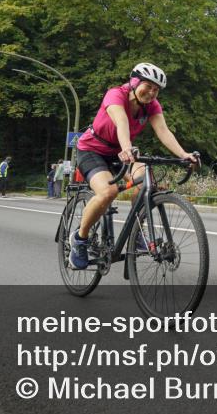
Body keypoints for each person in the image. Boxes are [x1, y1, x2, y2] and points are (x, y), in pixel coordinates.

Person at [68, 63, 198, 270]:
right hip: (93, 150)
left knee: (145, 182)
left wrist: (184, 154)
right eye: (148, 86)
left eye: (156, 90)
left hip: (122, 152)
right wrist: (127, 148)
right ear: (134, 82)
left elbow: (163, 131)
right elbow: (121, 123)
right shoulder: (115, 95)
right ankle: (80, 239)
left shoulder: (152, 106)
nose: (152, 92)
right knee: (108, 192)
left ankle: (137, 233)